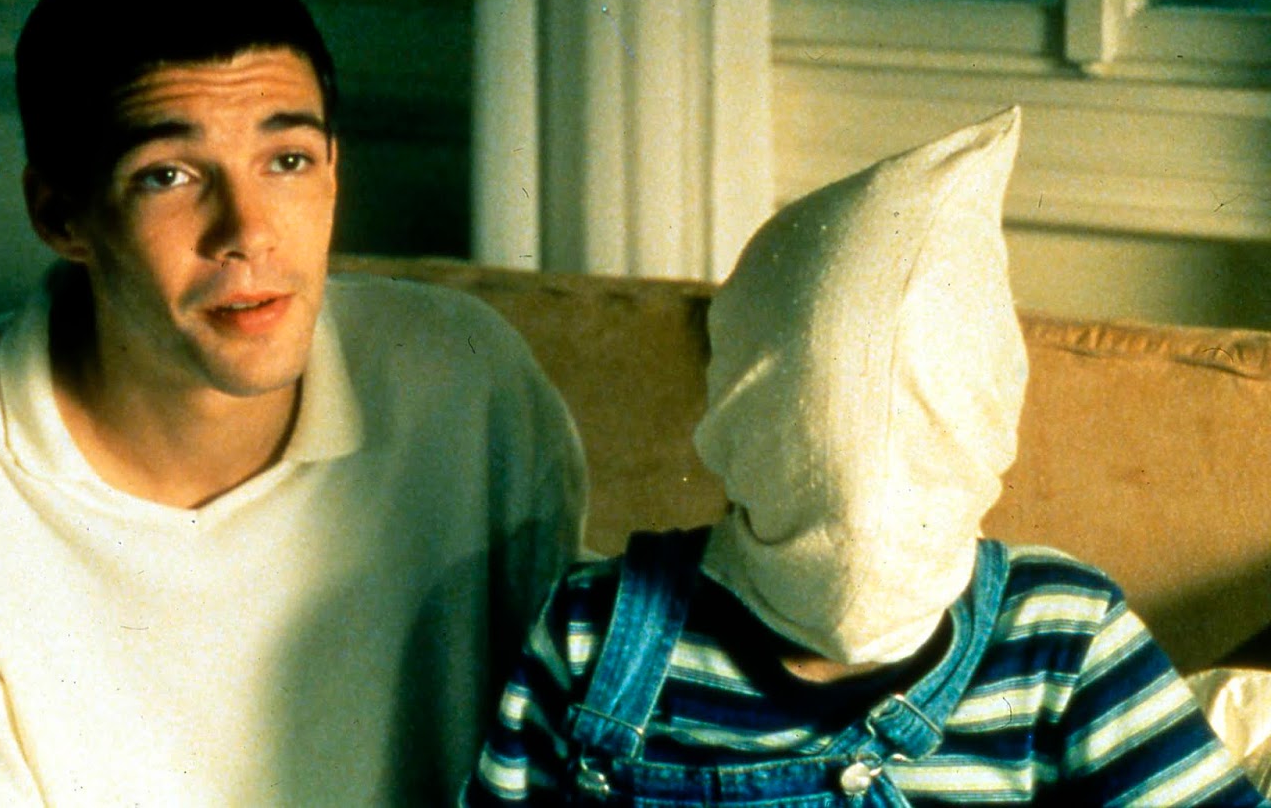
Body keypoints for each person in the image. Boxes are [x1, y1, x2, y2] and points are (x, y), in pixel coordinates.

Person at [0, 0, 585, 805]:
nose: (248, 232)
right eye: (169, 175)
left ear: (333, 172)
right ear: (61, 215)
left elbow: (575, 750)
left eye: (287, 160)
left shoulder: (467, 381)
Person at [462, 108, 1268, 806]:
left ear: (988, 439)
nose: (865, 521)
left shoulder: (1063, 637)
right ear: (735, 431)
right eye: (807, 466)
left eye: (925, 468)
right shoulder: (593, 632)